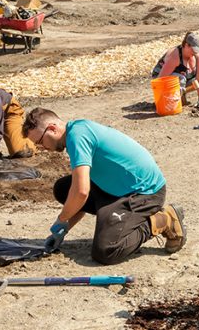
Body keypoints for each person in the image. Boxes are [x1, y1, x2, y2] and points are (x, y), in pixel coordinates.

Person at [22, 108, 185, 265]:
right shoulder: (77, 129)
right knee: (63, 188)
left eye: (40, 142)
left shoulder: (77, 137)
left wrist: (61, 220)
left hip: (145, 193)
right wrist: (65, 229)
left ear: (52, 129)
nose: (42, 148)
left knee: (106, 251)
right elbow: (81, 194)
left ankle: (163, 220)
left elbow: (81, 192)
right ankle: (113, 216)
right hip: (118, 187)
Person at [151, 32, 199, 107]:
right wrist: (160, 99)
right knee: (181, 78)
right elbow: (159, 79)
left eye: (197, 50)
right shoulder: (175, 56)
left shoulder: (197, 54)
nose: (195, 52)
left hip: (183, 79)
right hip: (164, 80)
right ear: (186, 45)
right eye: (193, 50)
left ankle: (181, 93)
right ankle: (174, 99)